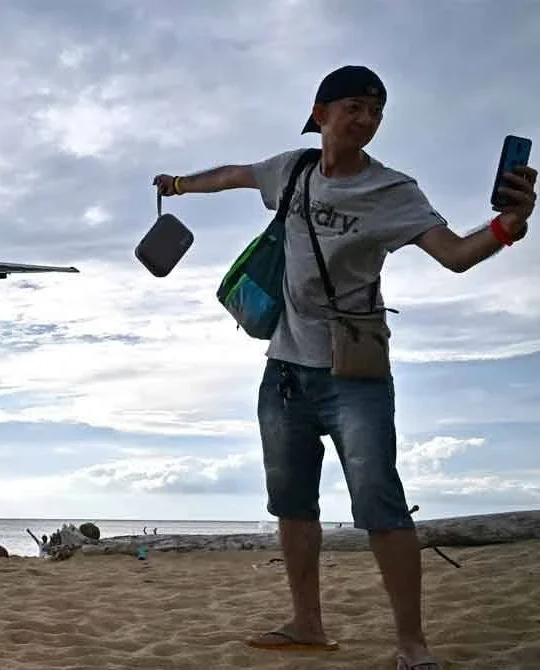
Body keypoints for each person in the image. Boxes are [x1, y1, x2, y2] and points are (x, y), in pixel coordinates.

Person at [152, 65, 536, 670]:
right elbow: (234, 174)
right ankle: (306, 624)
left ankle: (413, 645)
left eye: (377, 112)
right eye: (354, 107)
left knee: (379, 499)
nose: (367, 120)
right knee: (292, 502)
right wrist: (177, 183)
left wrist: (506, 228)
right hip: (282, 369)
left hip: (352, 374)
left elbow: (457, 255)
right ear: (321, 112)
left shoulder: (393, 192)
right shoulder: (293, 168)